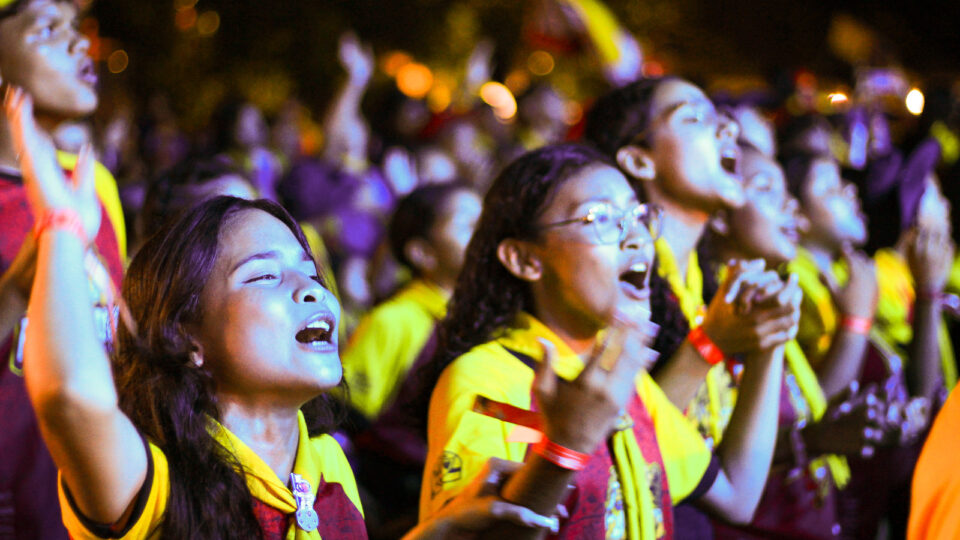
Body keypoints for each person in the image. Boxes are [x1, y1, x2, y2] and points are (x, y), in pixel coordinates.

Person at [6, 86, 581, 540]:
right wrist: (62, 227)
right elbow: (70, 398)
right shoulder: (152, 477)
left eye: (310, 272)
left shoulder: (329, 463)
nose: (311, 291)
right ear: (187, 335)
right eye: (263, 275)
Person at [420, 143, 795, 539]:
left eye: (636, 216)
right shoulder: (489, 381)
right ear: (524, 259)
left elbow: (738, 496)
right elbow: (480, 533)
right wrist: (563, 447)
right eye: (600, 217)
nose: (636, 236)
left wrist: (770, 340)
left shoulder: (627, 383)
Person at [585, 76, 798, 538]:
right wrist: (708, 345)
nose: (726, 130)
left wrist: (771, 335)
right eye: (694, 117)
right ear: (639, 159)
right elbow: (612, 445)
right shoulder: (619, 286)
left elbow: (739, 491)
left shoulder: (703, 287)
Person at [704, 143, 883, 538]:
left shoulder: (766, 297)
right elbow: (712, 464)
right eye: (766, 188)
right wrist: (855, 323)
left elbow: (803, 406)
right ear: (719, 212)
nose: (791, 208)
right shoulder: (712, 320)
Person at [0, 1, 126, 537]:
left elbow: (118, 332)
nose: (80, 44)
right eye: (48, 30)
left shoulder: (95, 188)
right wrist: (18, 289)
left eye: (77, 30)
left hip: (95, 508)